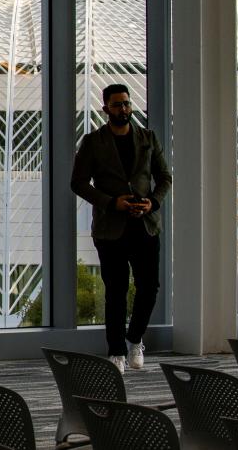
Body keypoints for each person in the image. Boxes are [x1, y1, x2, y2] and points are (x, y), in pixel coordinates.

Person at [71, 83, 172, 373]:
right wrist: (111, 203)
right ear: (106, 109)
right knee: (115, 290)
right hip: (110, 228)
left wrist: (152, 203)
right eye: (117, 105)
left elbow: (164, 176)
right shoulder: (93, 142)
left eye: (126, 104)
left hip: (145, 226)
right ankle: (115, 351)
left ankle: (134, 338)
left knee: (149, 288)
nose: (123, 109)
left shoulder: (148, 138)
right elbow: (78, 183)